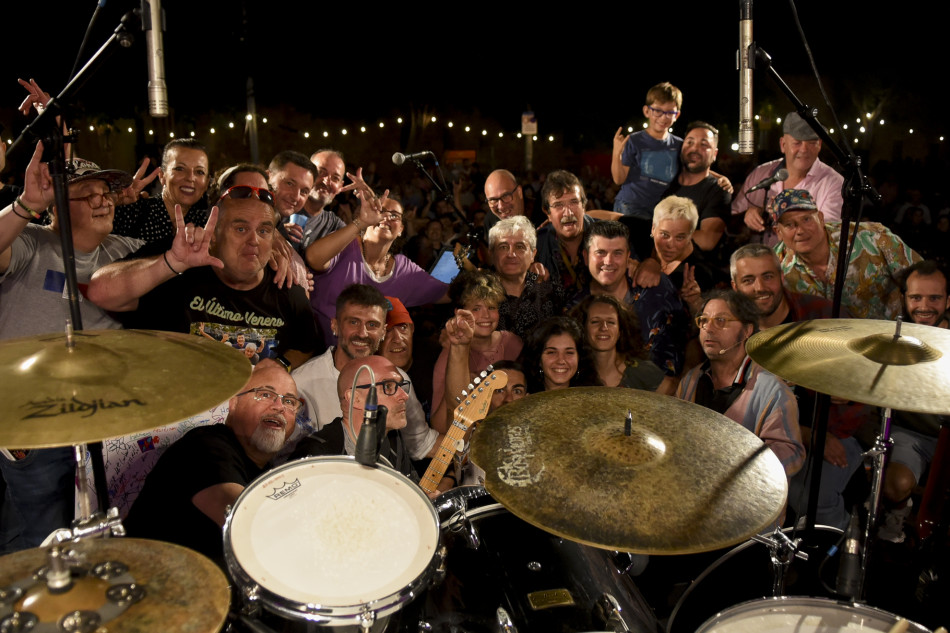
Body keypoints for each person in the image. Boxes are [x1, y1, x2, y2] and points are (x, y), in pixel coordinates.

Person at [0, 145, 144, 554]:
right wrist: (26, 204)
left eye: (106, 193)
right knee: (38, 544)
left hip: (103, 426)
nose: (103, 201)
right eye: (88, 194)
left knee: (100, 544)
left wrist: (278, 242)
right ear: (57, 206)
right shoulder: (29, 242)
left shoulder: (123, 250)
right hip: (34, 426)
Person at [87, 185, 320, 369]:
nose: (254, 240)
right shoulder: (177, 268)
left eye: (264, 231)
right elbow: (100, 292)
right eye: (240, 229)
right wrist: (170, 263)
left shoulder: (286, 287)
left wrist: (279, 366)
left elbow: (306, 346)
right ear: (214, 234)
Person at [731, 244, 869, 529]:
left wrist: (841, 394)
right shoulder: (731, 328)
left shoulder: (823, 315)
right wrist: (807, 434)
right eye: (748, 280)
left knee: (809, 496)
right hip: (764, 436)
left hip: (835, 430)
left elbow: (863, 386)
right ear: (735, 286)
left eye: (768, 276)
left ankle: (839, 548)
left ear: (781, 277)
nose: (760, 288)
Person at [123, 365, 300, 563]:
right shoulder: (203, 447)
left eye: (289, 401)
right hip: (142, 575)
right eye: (266, 394)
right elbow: (248, 525)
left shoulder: (266, 469)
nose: (279, 406)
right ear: (234, 403)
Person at [290, 284, 437, 460]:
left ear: (383, 332)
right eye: (353, 322)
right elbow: (283, 460)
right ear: (335, 325)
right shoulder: (300, 383)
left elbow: (420, 444)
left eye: (372, 324)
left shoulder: (397, 379)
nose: (362, 333)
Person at [675, 290, 805, 477]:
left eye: (721, 320)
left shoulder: (772, 390)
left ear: (747, 330)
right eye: (704, 320)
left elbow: (791, 454)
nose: (708, 328)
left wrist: (736, 466)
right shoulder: (692, 380)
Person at [305, 190, 448, 347]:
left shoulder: (404, 270)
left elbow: (445, 293)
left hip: (360, 355)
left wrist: (467, 266)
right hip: (311, 346)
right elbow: (313, 258)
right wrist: (360, 222)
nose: (386, 217)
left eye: (394, 215)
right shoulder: (346, 244)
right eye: (380, 211)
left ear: (401, 229)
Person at [291, 355, 442, 490]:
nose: (404, 396)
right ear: (355, 398)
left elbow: (409, 494)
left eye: (401, 386)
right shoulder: (318, 453)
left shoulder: (392, 440)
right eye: (388, 387)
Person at [879, 261, 949, 542]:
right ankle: (895, 519)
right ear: (904, 298)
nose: (924, 306)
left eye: (934, 298)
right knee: (896, 484)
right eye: (916, 297)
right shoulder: (892, 338)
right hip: (912, 434)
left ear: (948, 300)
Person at [772, 189, 921, 320]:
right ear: (778, 232)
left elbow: (924, 280)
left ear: (821, 218)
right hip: (823, 342)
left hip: (890, 337)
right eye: (789, 225)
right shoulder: (774, 265)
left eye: (806, 219)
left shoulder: (872, 237)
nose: (800, 230)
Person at [579, 220, 686, 392]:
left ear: (628, 256)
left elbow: (691, 336)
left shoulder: (656, 287)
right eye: (600, 253)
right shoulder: (575, 308)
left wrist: (685, 388)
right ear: (585, 257)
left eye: (617, 253)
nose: (609, 261)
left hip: (672, 398)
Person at [431, 270, 523, 432]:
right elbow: (439, 426)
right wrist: (461, 387)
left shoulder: (512, 343)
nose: (485, 315)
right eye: (476, 308)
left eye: (491, 307)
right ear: (459, 313)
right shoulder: (450, 354)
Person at [733, 112, 845, 243]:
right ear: (783, 144)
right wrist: (747, 215)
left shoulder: (834, 182)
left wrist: (787, 216)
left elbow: (829, 236)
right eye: (797, 143)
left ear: (819, 145)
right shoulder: (760, 173)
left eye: (811, 143)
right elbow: (730, 222)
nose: (804, 149)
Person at [112, 138, 210, 245]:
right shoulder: (133, 213)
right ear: (162, 176)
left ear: (207, 182)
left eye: (200, 172)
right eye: (180, 169)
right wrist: (114, 201)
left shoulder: (205, 223)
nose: (190, 178)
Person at [611, 82, 683, 223]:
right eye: (658, 111)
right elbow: (618, 179)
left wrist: (720, 178)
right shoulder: (634, 140)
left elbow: (695, 170)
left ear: (677, 115)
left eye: (670, 112)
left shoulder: (679, 144)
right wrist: (616, 153)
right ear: (647, 111)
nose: (663, 117)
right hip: (631, 206)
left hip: (661, 211)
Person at [489, 216, 565, 340]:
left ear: (532, 255)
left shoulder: (551, 289)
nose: (511, 254)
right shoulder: (478, 293)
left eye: (520, 247)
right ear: (492, 254)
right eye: (503, 247)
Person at [663, 122, 732, 257]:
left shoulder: (719, 190)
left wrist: (659, 233)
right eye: (689, 142)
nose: (694, 148)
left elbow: (707, 240)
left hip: (692, 267)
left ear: (714, 154)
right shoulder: (665, 180)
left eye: (704, 144)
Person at [570, 294, 665, 391]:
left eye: (611, 322)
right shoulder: (572, 373)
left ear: (620, 330)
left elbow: (671, 396)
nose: (603, 328)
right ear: (583, 328)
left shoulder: (643, 371)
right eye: (595, 322)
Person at [649, 195, 720, 313]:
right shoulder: (638, 242)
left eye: (680, 237)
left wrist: (696, 302)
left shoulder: (701, 274)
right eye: (665, 235)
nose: (670, 244)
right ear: (653, 228)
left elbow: (706, 320)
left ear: (691, 235)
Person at [520, 316, 601, 393]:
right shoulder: (522, 396)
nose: (561, 361)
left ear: (579, 358)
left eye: (569, 353)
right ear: (538, 359)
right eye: (552, 352)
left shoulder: (595, 397)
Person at [299, 150, 349, 247]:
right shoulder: (283, 208)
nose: (326, 181)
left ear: (340, 187)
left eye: (335, 178)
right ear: (306, 173)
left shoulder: (334, 226)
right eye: (320, 172)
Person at [266, 150, 316, 244]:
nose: (296, 197)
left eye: (304, 191)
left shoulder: (281, 229)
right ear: (268, 177)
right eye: (289, 184)